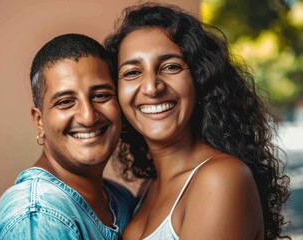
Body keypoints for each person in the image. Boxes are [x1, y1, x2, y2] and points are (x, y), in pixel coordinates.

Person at [104, 3, 291, 240]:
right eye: (132, 72)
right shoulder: (148, 189)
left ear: (199, 79)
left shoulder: (220, 179)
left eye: (171, 67)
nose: (152, 87)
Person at [0, 33, 135, 239]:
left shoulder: (121, 199)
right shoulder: (38, 217)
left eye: (101, 95)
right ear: (39, 121)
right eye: (65, 101)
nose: (88, 116)